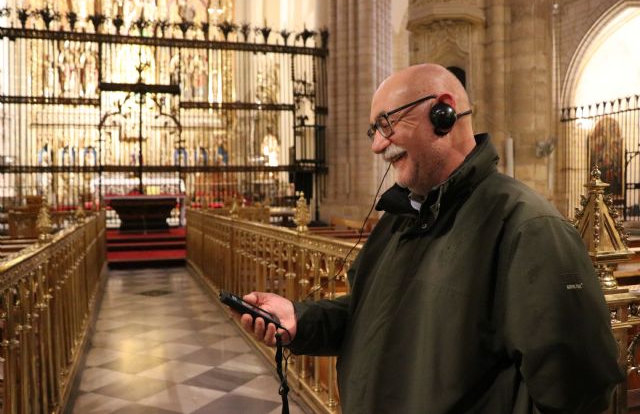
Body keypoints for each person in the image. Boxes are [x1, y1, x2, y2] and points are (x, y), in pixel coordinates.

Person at [238, 63, 624, 413]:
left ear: (444, 112)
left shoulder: (526, 226)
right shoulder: (399, 219)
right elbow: (364, 315)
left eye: (386, 123)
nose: (377, 145)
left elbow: (577, 393)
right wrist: (300, 321)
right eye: (374, 130)